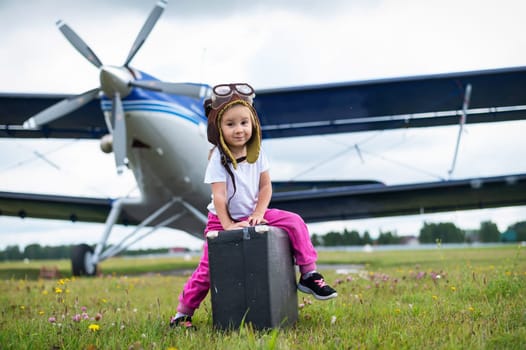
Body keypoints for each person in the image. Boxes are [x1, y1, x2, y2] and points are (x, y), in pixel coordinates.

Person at [170, 83, 337, 329]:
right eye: (230, 124)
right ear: (218, 127)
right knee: (207, 270)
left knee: (294, 221)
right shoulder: (218, 158)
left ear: (253, 124)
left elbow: (265, 187)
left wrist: (259, 214)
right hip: (221, 218)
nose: (239, 130)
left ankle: (309, 274)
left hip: (253, 213)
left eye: (244, 123)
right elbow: (218, 195)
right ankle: (182, 314)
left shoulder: (258, 153)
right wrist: (227, 225)